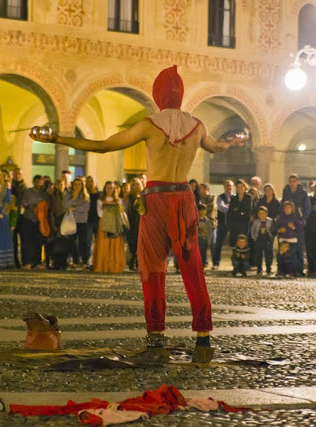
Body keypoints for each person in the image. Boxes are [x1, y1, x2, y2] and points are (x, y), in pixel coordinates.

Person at [29, 65, 248, 362]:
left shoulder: (149, 124)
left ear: (158, 94)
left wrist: (58, 139)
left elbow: (105, 146)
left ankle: (156, 339)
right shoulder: (198, 126)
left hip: (156, 199)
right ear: (181, 94)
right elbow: (217, 147)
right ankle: (204, 339)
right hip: (184, 198)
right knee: (193, 269)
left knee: (153, 269)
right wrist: (233, 142)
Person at [92, 181, 127, 273]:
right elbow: (99, 213)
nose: (109, 190)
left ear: (114, 189)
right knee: (104, 243)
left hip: (115, 223)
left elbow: (120, 212)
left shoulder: (118, 200)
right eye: (107, 188)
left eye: (111, 188)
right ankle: (102, 265)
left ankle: (114, 266)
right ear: (104, 189)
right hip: (103, 222)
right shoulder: (99, 200)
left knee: (114, 244)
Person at [281, 174, 311, 276]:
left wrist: (303, 220)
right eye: (290, 181)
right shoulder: (286, 192)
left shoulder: (303, 193)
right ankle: (286, 269)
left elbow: (307, 207)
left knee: (299, 247)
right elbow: (282, 205)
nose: (292, 183)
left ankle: (300, 268)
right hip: (287, 222)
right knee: (286, 247)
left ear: (297, 182)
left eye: (294, 181)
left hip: (298, 222)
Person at [20, 175, 48, 269]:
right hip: (28, 218)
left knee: (38, 242)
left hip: (40, 221)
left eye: (40, 182)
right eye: (37, 182)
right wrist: (33, 207)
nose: (38, 184)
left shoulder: (43, 193)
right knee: (28, 242)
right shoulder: (28, 191)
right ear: (33, 182)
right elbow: (23, 203)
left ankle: (37, 262)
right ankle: (27, 262)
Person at [63, 177, 91, 270]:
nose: (77, 186)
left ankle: (84, 261)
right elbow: (65, 205)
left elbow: (85, 208)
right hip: (71, 221)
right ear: (72, 185)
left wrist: (74, 208)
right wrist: (74, 198)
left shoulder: (85, 195)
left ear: (82, 185)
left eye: (79, 184)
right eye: (75, 184)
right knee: (72, 242)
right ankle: (75, 261)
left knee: (83, 242)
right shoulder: (68, 194)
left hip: (82, 221)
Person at [274, 201, 303, 277]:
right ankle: (281, 271)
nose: (287, 209)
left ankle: (293, 271)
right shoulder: (280, 218)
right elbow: (275, 227)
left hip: (292, 240)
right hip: (282, 239)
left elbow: (300, 228)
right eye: (286, 207)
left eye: (289, 207)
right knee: (280, 256)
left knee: (292, 256)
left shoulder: (295, 218)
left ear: (292, 209)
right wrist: (279, 230)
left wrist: (293, 227)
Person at [212, 179, 233, 270]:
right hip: (222, 224)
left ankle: (237, 264)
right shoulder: (220, 197)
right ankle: (216, 263)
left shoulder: (236, 197)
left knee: (236, 244)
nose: (228, 187)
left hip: (233, 224)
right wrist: (232, 208)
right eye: (226, 185)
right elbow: (221, 208)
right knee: (218, 244)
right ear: (224, 187)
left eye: (230, 185)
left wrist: (229, 207)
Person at [250, 205, 274, 275]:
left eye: (263, 213)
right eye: (260, 213)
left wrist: (271, 237)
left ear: (266, 214)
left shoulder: (270, 221)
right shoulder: (256, 222)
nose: (262, 215)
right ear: (258, 214)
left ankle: (268, 269)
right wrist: (254, 237)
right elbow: (252, 230)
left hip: (267, 239)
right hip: (259, 239)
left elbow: (272, 230)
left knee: (268, 255)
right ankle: (259, 269)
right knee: (258, 255)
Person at [11, 167, 27, 268]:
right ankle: (15, 261)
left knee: (24, 240)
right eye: (16, 174)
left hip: (23, 216)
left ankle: (24, 261)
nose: (18, 175)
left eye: (19, 174)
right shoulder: (10, 185)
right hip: (13, 215)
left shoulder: (25, 187)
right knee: (13, 240)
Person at [228, 179, 251, 247]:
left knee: (243, 243)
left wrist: (237, 210)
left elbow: (247, 210)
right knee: (235, 243)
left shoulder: (248, 197)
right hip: (235, 224)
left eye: (241, 186)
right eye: (238, 187)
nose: (240, 188)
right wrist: (239, 211)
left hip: (244, 224)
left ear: (245, 187)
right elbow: (231, 211)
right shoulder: (233, 198)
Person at [126, 178, 143, 271]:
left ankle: (138, 262)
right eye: (133, 185)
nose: (136, 186)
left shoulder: (144, 196)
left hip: (142, 222)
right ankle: (132, 260)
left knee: (140, 245)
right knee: (132, 244)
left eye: (137, 184)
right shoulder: (129, 197)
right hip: (131, 223)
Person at [85, 175, 100, 268]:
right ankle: (87, 261)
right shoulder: (85, 194)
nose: (90, 183)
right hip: (88, 221)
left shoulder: (100, 194)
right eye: (88, 181)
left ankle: (97, 261)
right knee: (88, 242)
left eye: (92, 181)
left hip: (98, 220)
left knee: (98, 242)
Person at [197, 203, 212, 269]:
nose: (202, 212)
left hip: (204, 239)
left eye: (204, 210)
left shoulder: (207, 221)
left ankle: (202, 267)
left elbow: (209, 232)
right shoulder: (195, 220)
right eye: (201, 210)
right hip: (197, 240)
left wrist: (209, 241)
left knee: (203, 254)